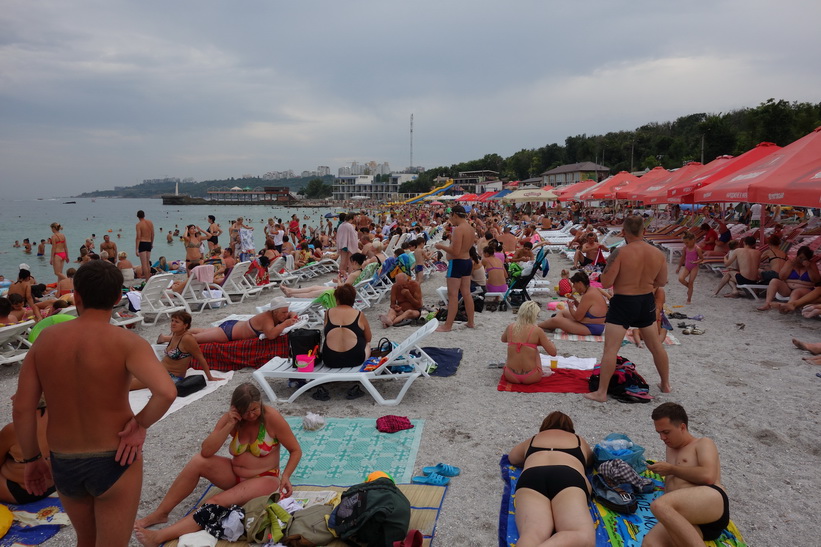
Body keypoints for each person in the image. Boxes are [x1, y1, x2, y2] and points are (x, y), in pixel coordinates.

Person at [12, 260, 176, 547]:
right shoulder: (127, 342)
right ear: (117, 298)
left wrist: (31, 460)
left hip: (63, 460)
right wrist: (139, 424)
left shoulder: (45, 341)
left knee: (86, 541)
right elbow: (166, 391)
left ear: (76, 296)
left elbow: (23, 407)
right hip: (115, 457)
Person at [134, 383, 301, 546]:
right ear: (236, 408)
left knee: (215, 501)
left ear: (260, 404)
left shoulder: (271, 417)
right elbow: (206, 451)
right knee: (198, 461)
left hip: (264, 478)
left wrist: (286, 476)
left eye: (254, 409)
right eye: (246, 412)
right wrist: (230, 423)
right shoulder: (232, 419)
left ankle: (160, 536)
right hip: (235, 476)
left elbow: (295, 450)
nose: (251, 415)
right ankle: (161, 513)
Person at [585, 216, 670, 402]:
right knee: (656, 346)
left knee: (610, 349)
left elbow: (606, 282)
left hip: (623, 301)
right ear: (644, 232)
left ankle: (601, 393)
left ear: (623, 232)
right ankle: (665, 384)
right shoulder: (658, 254)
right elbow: (662, 282)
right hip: (645, 300)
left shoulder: (620, 253)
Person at [644, 403, 730, 545]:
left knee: (659, 506)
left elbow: (708, 476)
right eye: (659, 433)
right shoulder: (670, 449)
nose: (662, 438)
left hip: (711, 504)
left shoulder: (703, 443)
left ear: (682, 427)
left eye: (666, 432)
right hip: (685, 515)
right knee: (650, 543)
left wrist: (671, 469)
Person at [507, 411, 595, 546]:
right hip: (567, 476)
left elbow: (512, 458)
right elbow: (590, 460)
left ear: (544, 426)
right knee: (580, 534)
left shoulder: (533, 439)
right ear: (570, 427)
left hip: (532, 476)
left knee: (532, 534)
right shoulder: (578, 439)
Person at [131, 311, 221, 390]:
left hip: (171, 376)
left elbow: (201, 359)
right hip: (160, 370)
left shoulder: (187, 339)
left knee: (128, 385)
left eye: (177, 322)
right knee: (128, 374)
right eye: (172, 320)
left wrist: (210, 377)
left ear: (185, 325)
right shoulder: (175, 334)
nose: (173, 323)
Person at [160, 297, 300, 344]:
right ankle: (166, 338)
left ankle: (181, 331)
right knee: (195, 339)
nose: (286, 314)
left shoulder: (277, 314)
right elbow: (271, 335)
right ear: (275, 311)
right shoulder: (267, 318)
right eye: (283, 312)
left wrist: (291, 314)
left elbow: (291, 314)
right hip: (228, 333)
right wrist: (286, 324)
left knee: (203, 331)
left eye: (286, 311)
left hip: (232, 326)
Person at [1, 397, 56, 504]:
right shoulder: (61, 422)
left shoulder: (12, 429)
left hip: (21, 491)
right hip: (55, 484)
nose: (12, 397)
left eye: (19, 393)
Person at [434, 206, 476, 332]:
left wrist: (441, 246)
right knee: (466, 293)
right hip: (467, 261)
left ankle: (448, 325)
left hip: (457, 263)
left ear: (455, 215)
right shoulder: (470, 228)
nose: (451, 219)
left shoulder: (458, 230)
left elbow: (455, 251)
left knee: (453, 295)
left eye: (451, 216)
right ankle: (471, 322)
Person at [502, 301, 557, 385]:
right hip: (531, 376)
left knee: (517, 347)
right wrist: (548, 342)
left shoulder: (510, 327)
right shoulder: (537, 330)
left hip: (510, 375)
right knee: (534, 349)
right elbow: (553, 353)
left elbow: (503, 339)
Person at [538, 271, 608, 336]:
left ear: (580, 283)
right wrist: (575, 302)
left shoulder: (588, 295)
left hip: (592, 327)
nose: (573, 286)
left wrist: (571, 307)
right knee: (563, 312)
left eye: (574, 284)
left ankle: (537, 327)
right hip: (592, 323)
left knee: (556, 320)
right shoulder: (592, 290)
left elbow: (578, 318)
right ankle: (552, 325)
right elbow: (583, 310)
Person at [322, 284, 372, 369]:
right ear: (353, 298)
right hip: (355, 359)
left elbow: (326, 334)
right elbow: (368, 338)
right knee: (368, 345)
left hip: (330, 359)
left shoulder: (328, 313)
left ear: (337, 298)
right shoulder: (359, 314)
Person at [757, 245, 819, 310]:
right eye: (800, 258)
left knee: (796, 292)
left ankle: (787, 308)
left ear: (808, 260)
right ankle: (767, 304)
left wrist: (808, 268)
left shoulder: (811, 264)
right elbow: (781, 277)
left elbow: (816, 280)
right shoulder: (790, 262)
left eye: (805, 259)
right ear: (797, 256)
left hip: (805, 290)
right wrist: (791, 266)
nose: (801, 261)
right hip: (788, 289)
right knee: (774, 281)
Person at [280, 253, 367, 299]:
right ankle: (290, 290)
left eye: (351, 262)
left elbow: (342, 288)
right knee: (314, 287)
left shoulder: (354, 274)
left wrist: (339, 279)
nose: (350, 264)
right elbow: (347, 285)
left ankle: (291, 294)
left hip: (339, 293)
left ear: (355, 262)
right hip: (340, 291)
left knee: (312, 293)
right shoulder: (359, 271)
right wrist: (341, 279)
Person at [676, 232, 703, 305]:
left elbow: (701, 258)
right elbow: (682, 258)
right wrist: (679, 267)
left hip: (694, 267)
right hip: (687, 266)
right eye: (685, 243)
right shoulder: (685, 248)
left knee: (691, 282)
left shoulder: (697, 249)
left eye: (687, 242)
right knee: (681, 279)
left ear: (693, 240)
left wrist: (696, 262)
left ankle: (689, 299)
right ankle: (690, 288)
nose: (686, 244)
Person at [136, 210, 155, 281]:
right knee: (147, 263)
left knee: (144, 264)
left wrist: (136, 249)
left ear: (137, 216)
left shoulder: (139, 224)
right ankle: (149, 278)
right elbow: (153, 234)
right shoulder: (150, 223)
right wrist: (151, 243)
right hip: (149, 243)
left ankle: (147, 280)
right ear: (144, 215)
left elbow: (138, 237)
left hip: (142, 243)